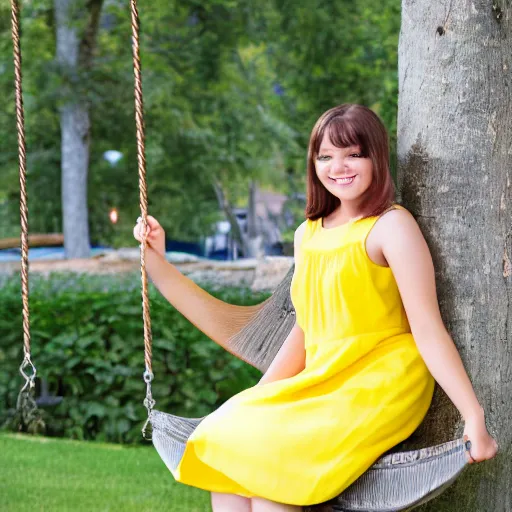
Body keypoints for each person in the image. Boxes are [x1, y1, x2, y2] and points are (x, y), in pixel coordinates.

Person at [133, 104, 498, 512]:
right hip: (322, 378)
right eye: (325, 156)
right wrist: (258, 399)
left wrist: (473, 416)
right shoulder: (306, 235)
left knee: (275, 476)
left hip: (379, 379)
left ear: (376, 157)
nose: (338, 166)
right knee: (227, 441)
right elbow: (306, 331)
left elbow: (428, 329)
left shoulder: (390, 226)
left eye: (353, 154)